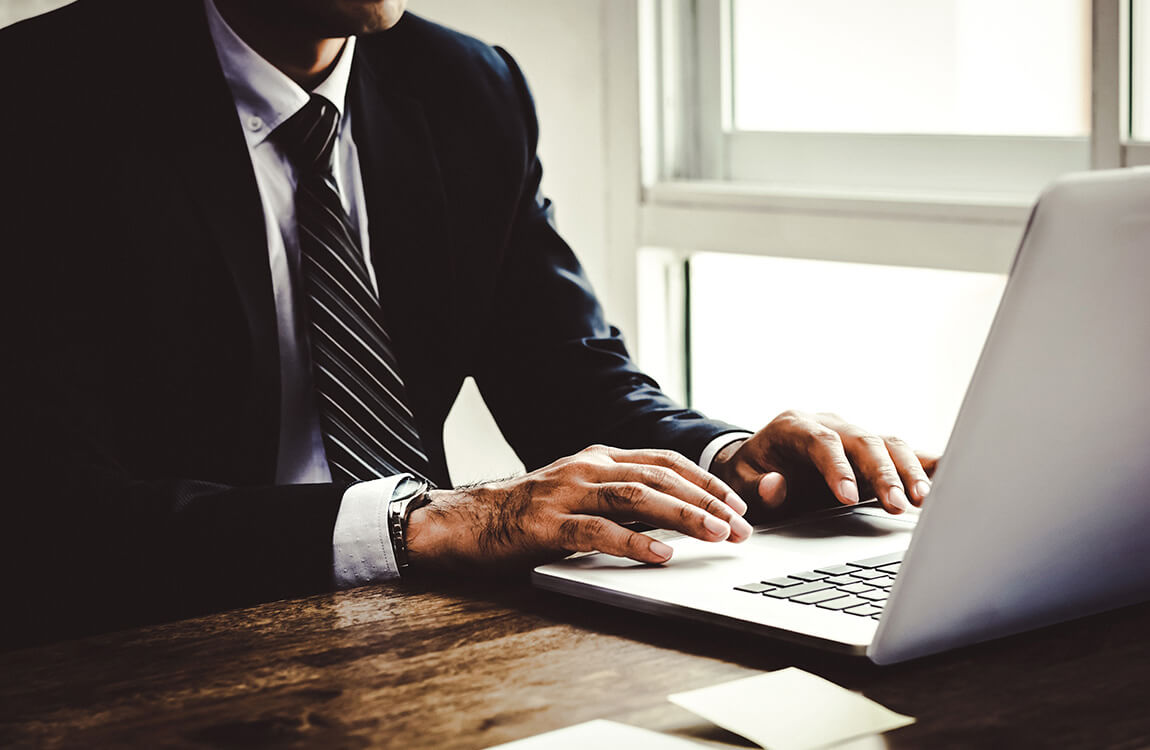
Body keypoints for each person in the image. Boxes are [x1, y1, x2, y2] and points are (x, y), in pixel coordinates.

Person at [0, 0, 934, 645]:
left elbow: (566, 378)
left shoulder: (467, 87)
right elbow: (47, 515)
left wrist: (734, 461)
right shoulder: (39, 102)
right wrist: (421, 524)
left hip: (428, 633)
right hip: (136, 651)